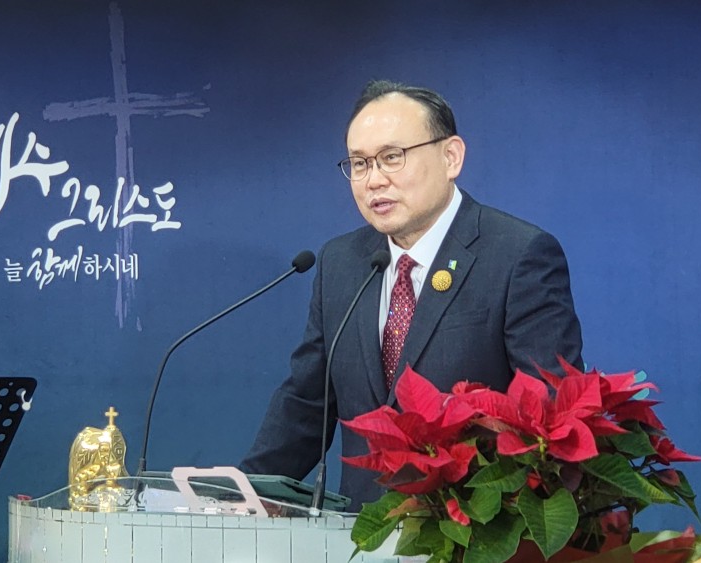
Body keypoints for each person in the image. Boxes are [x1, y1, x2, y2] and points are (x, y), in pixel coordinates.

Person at [240, 80, 583, 511]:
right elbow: (307, 405)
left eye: (392, 157)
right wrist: (242, 495)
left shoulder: (517, 255)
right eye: (359, 163)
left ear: (451, 156)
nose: (373, 180)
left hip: (468, 529)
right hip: (361, 532)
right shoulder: (341, 262)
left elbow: (548, 411)